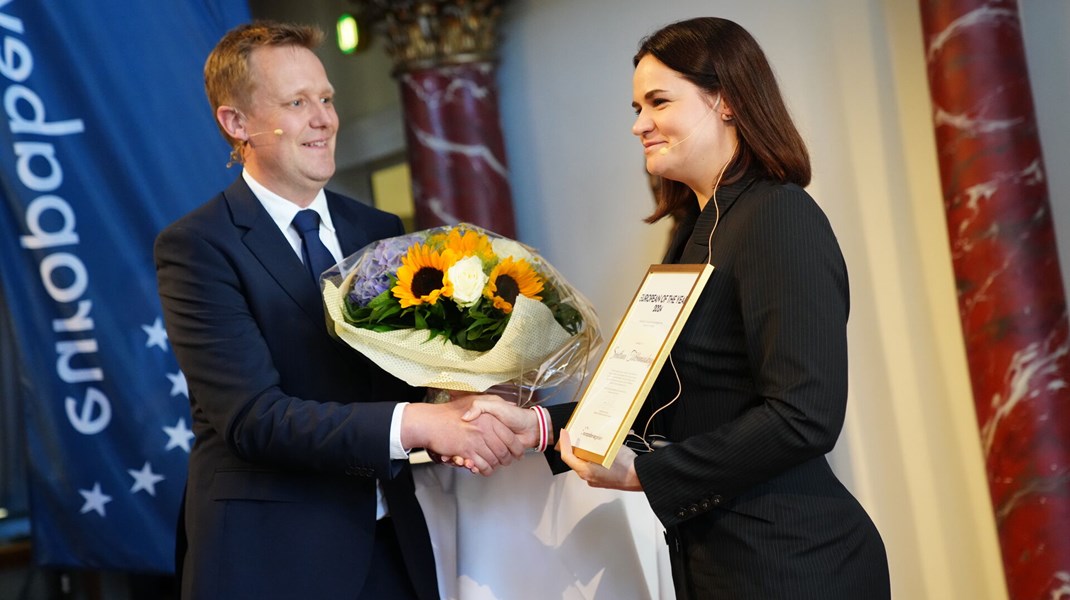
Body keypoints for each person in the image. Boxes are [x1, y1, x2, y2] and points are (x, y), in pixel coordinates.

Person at [465, 16, 891, 599]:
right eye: (637, 107)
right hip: (719, 561)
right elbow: (668, 398)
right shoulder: (698, 227)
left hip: (795, 563)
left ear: (727, 102)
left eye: (658, 102)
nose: (640, 124)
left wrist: (645, 473)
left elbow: (805, 415)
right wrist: (540, 425)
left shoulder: (778, 217)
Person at [154, 21, 525, 600]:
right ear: (237, 123)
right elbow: (255, 419)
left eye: (325, 98)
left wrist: (465, 399)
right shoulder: (198, 247)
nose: (323, 118)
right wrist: (424, 423)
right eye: (297, 102)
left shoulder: (378, 231)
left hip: (392, 541)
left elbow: (399, 376)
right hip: (272, 557)